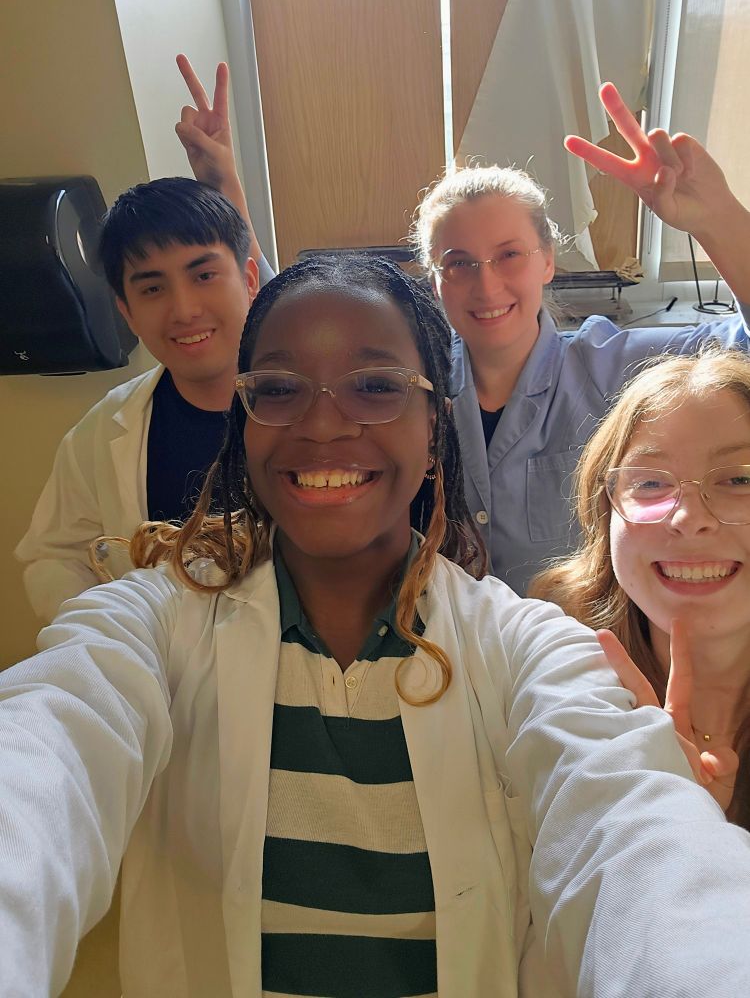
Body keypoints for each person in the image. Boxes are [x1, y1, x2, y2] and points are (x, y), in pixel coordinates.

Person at [2, 255, 750, 998]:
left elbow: (635, 835)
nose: (324, 423)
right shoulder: (150, 626)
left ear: (434, 428)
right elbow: (40, 760)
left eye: (375, 387)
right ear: (246, 419)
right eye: (280, 389)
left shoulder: (528, 649)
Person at [181, 58, 750, 593]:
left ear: (548, 260)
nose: (486, 285)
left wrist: (717, 216)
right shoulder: (407, 378)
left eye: (509, 256)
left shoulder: (616, 368)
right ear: (434, 281)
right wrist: (222, 181)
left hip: (579, 656)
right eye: (459, 264)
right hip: (444, 654)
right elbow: (291, 323)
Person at [15, 178, 264, 623]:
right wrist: (110, 639)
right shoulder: (102, 430)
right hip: (174, 681)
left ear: (248, 280)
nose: (184, 309)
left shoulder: (313, 405)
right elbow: (52, 556)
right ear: (126, 310)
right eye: (152, 289)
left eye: (203, 275)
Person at [530, 348, 750, 830]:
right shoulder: (541, 678)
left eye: (738, 479)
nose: (689, 519)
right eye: (650, 483)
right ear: (604, 510)